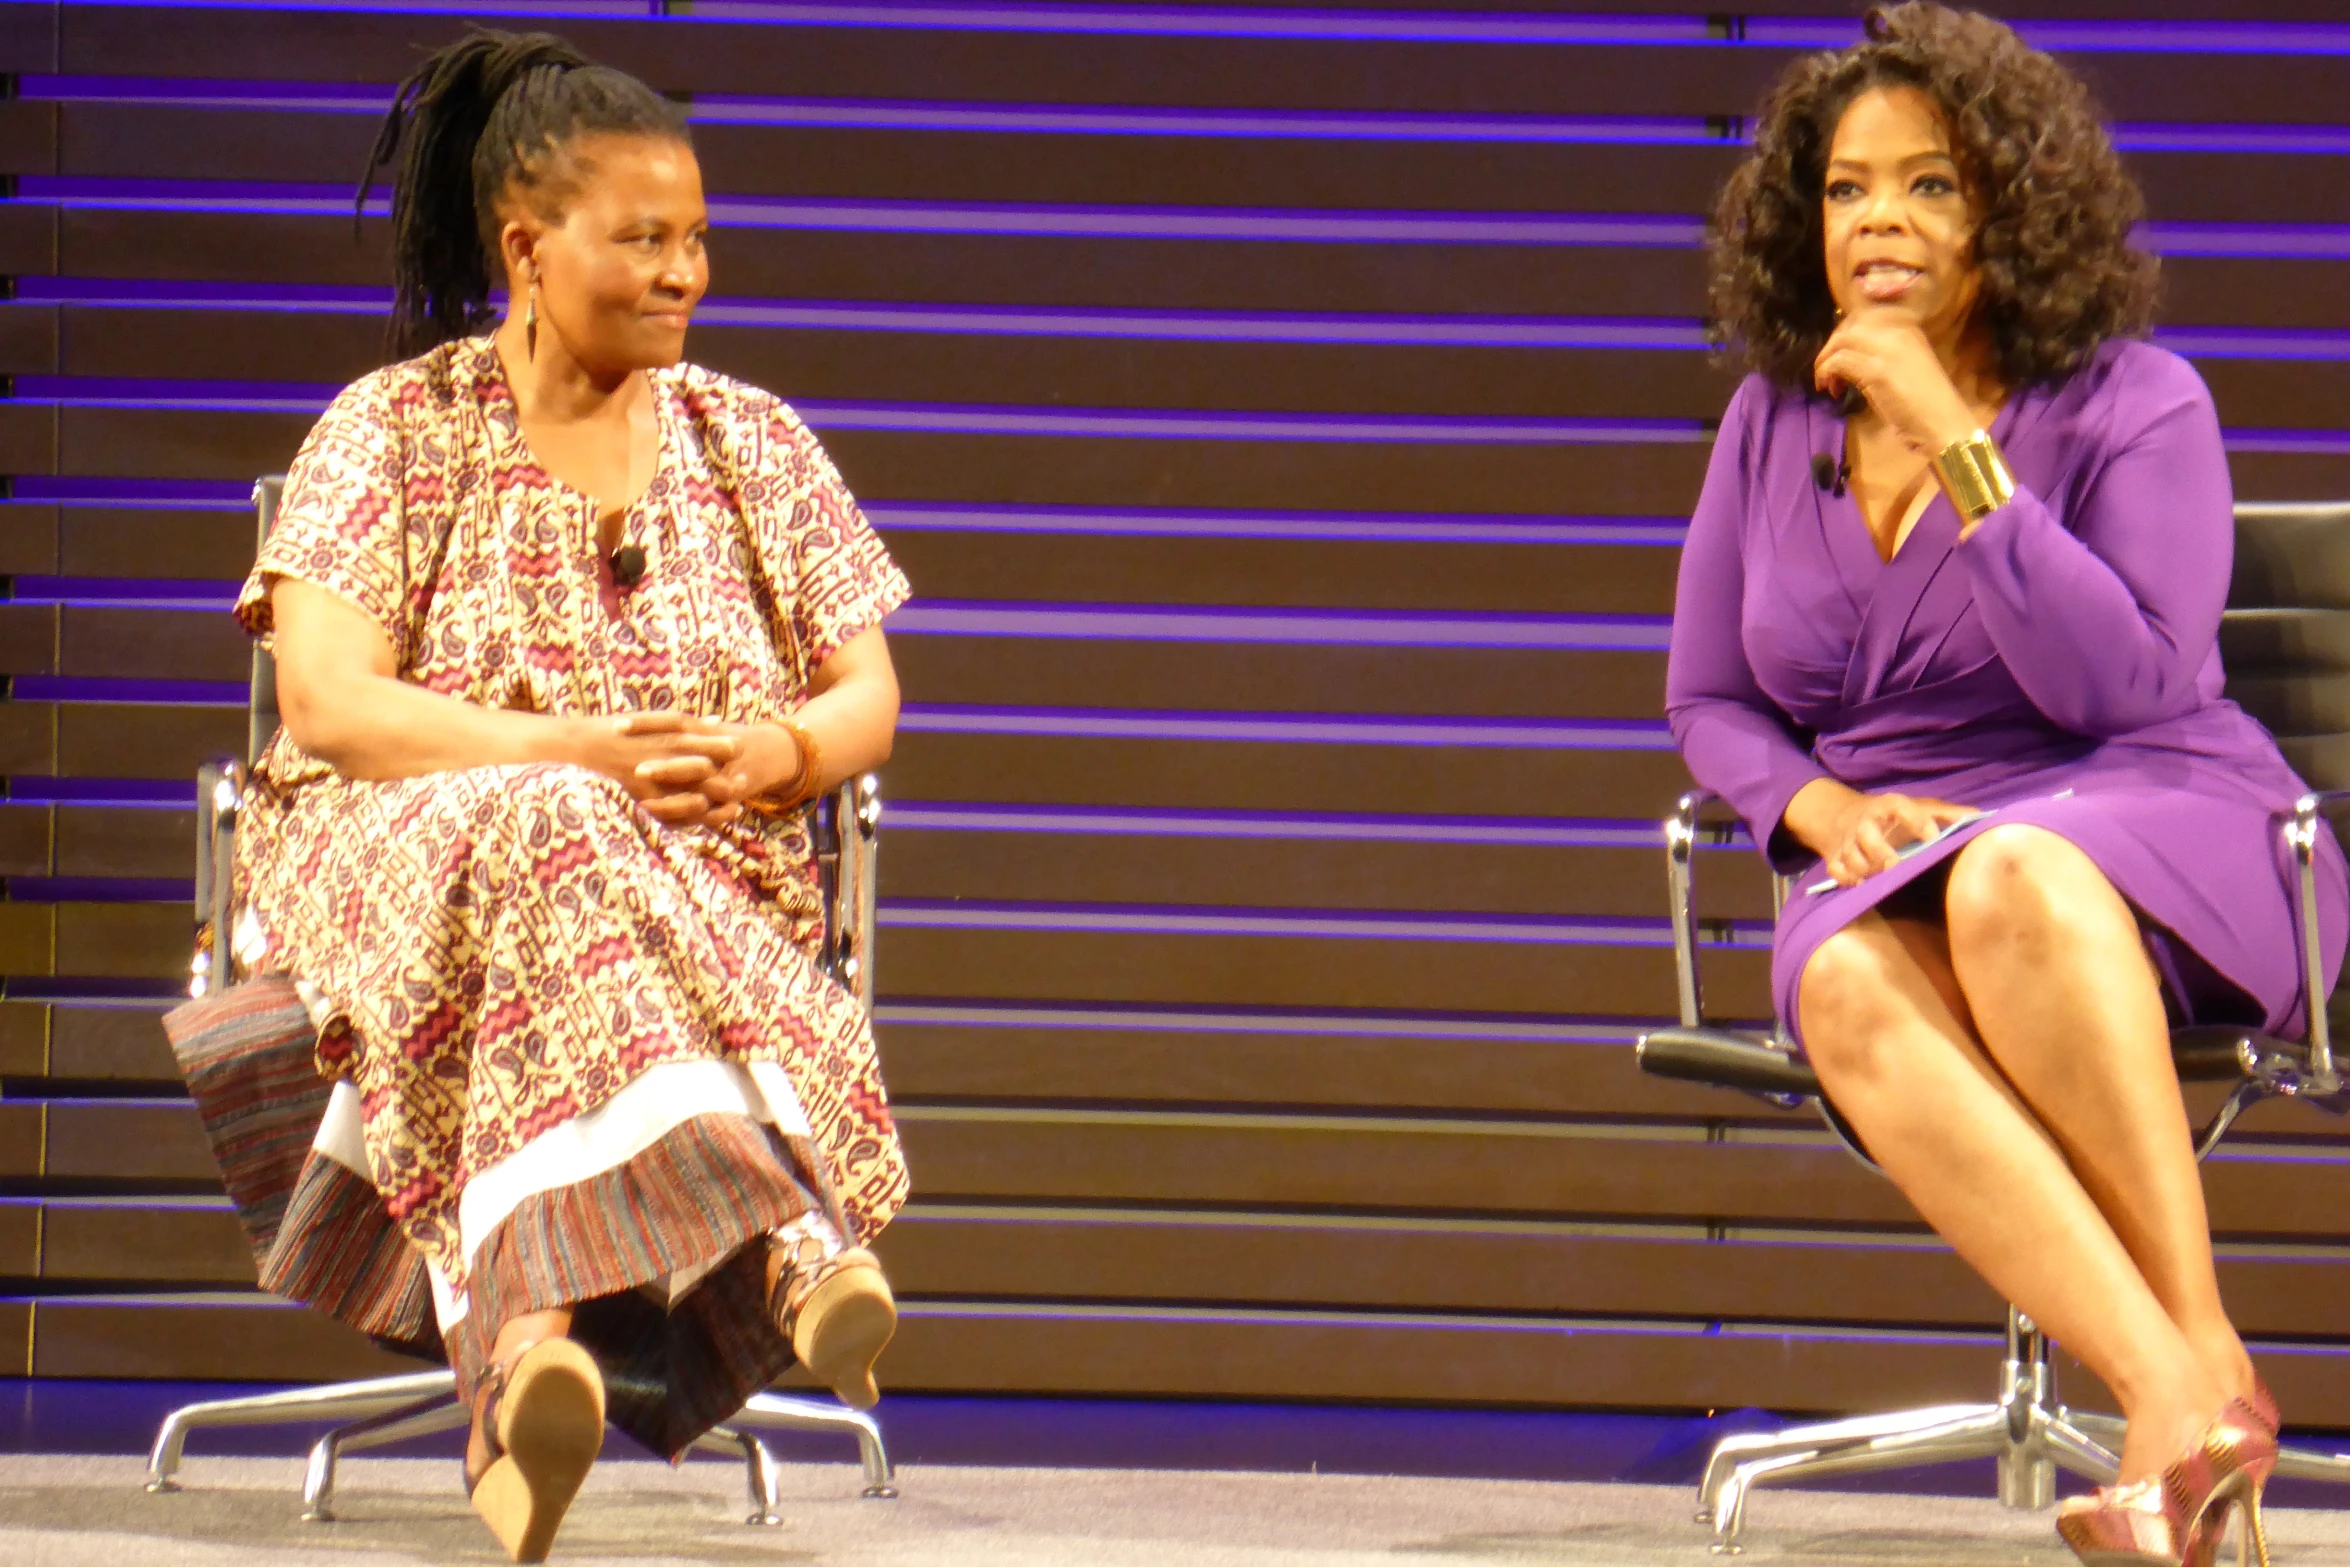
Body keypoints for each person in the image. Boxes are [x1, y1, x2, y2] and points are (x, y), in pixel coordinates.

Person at [1666, 5, 2346, 1561]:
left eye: (1929, 185)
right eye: (1846, 189)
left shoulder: (2138, 400)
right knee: (1832, 970)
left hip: (2152, 810)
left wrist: (1955, 441)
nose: (1879, 223)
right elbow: (1705, 695)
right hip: (1892, 844)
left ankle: (2184, 1380)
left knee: (2014, 871)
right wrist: (1814, 811)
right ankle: (2186, 1384)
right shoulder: (1770, 427)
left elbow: (2124, 682)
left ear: (2008, 211)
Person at [226, 29, 911, 1561]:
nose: (686, 273)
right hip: (400, 865)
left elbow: (866, 694)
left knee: (587, 841)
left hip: (697, 886)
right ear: (529, 250)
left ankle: (523, 1354)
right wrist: (584, 753)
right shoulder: (396, 429)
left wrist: (781, 754)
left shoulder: (755, 444)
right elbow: (331, 706)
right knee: (552, 817)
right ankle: (794, 1241)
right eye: (646, 239)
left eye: (699, 241)